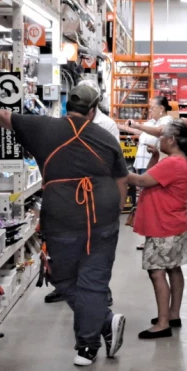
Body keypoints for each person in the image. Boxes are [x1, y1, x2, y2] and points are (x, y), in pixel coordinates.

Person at [0, 85, 128, 367]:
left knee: (62, 277)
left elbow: (5, 117)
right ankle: (103, 323)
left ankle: (88, 344)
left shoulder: (43, 128)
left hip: (61, 215)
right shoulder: (106, 137)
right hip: (101, 217)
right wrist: (113, 212)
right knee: (93, 280)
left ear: (68, 107)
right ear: (93, 111)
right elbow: (121, 180)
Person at [44, 78, 119, 305]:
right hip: (69, 193)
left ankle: (100, 292)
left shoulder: (107, 125)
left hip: (93, 194)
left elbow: (113, 162)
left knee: (94, 250)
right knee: (68, 246)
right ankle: (66, 286)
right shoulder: (66, 121)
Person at [127, 120, 187, 339]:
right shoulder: (181, 160)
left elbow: (141, 180)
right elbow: (152, 178)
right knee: (173, 268)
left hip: (163, 226)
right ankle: (173, 314)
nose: (159, 140)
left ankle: (162, 323)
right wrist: (155, 157)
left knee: (156, 272)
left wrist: (116, 170)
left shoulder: (173, 164)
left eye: (162, 136)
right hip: (174, 223)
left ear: (171, 140)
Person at [119, 95, 174, 250]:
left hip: (157, 166)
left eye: (152, 108)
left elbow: (159, 131)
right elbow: (138, 130)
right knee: (148, 203)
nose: (150, 111)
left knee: (153, 203)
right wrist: (119, 126)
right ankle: (151, 237)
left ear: (161, 108)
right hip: (145, 165)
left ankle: (156, 237)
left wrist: (138, 125)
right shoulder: (152, 122)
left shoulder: (167, 121)